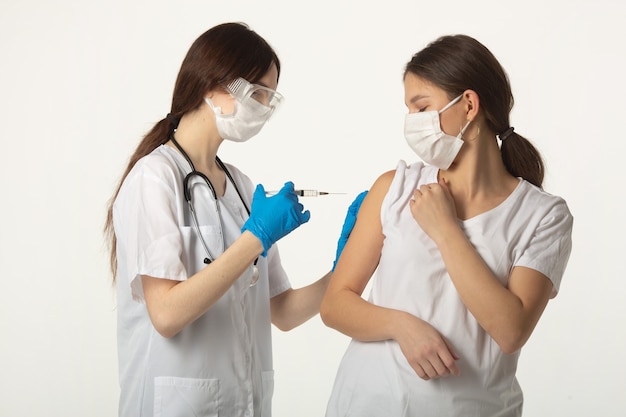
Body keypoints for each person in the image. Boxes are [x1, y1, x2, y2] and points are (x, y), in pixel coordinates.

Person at [103, 22, 360, 417]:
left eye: (270, 98)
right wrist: (255, 238)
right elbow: (167, 315)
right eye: (257, 93)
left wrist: (344, 269)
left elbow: (284, 312)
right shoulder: (154, 179)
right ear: (212, 85)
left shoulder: (241, 186)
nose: (263, 108)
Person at [320, 34, 573, 416]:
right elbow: (335, 305)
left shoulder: (543, 215)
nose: (412, 122)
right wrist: (401, 326)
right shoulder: (395, 187)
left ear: (469, 105)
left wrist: (446, 230)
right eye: (409, 110)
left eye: (422, 107)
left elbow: (511, 330)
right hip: (367, 403)